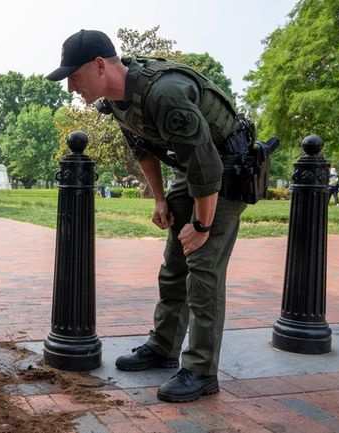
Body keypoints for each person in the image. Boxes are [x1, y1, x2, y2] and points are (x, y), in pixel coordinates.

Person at [48, 29, 249, 403]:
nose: (71, 87)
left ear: (98, 66)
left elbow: (207, 167)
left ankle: (202, 371)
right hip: (190, 172)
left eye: (74, 76)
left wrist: (202, 226)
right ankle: (163, 346)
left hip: (227, 172)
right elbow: (141, 146)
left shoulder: (166, 93)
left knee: (202, 270)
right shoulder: (115, 101)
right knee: (174, 266)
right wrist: (159, 198)